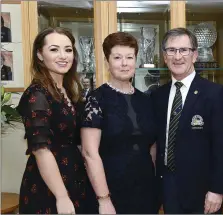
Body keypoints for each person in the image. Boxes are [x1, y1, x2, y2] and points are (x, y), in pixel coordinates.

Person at [151, 27, 223, 214]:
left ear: (194, 55)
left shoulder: (215, 93)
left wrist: (217, 189)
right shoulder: (158, 96)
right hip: (167, 189)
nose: (177, 56)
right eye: (171, 50)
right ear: (165, 57)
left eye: (184, 50)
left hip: (203, 192)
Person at [80, 32, 158, 214]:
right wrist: (104, 199)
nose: (124, 63)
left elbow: (152, 147)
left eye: (129, 57)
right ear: (107, 62)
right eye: (117, 57)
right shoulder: (96, 99)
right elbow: (89, 153)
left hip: (145, 192)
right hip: (110, 192)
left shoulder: (145, 100)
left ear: (136, 61)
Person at [16, 27, 87, 214]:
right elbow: (40, 150)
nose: (63, 56)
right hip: (49, 189)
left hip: (74, 178)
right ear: (40, 55)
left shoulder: (68, 91)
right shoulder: (37, 94)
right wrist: (61, 197)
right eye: (54, 49)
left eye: (68, 49)